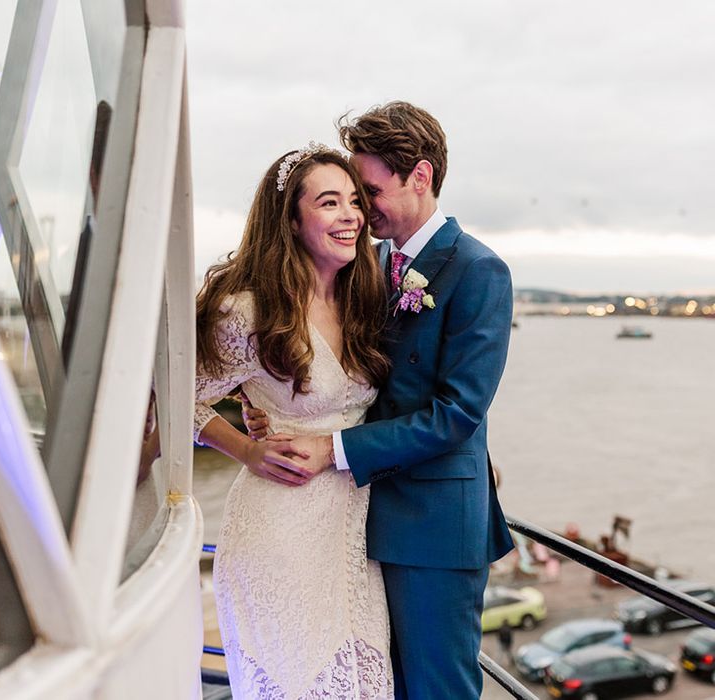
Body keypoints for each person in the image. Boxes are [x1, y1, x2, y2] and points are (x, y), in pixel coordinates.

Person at [246, 102, 514, 699]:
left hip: (434, 529)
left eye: (370, 192)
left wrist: (332, 447)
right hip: (359, 520)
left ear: (420, 177)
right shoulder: (369, 263)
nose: (362, 212)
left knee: (436, 689)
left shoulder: (479, 272)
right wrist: (271, 402)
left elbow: (457, 414)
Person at [194, 144, 393, 698]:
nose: (351, 215)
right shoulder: (247, 310)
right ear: (291, 219)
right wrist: (246, 448)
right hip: (279, 531)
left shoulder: (363, 298)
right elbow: (173, 398)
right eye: (329, 202)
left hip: (351, 535)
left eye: (355, 201)